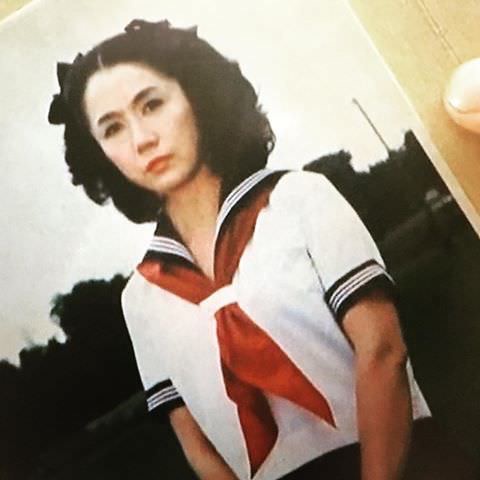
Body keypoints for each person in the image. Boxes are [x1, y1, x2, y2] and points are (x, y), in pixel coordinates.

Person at [47, 19, 438, 480]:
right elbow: (196, 445)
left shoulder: (300, 199)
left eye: (151, 105)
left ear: (197, 95)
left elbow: (383, 351)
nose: (141, 139)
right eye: (112, 128)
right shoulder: (141, 299)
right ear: (99, 154)